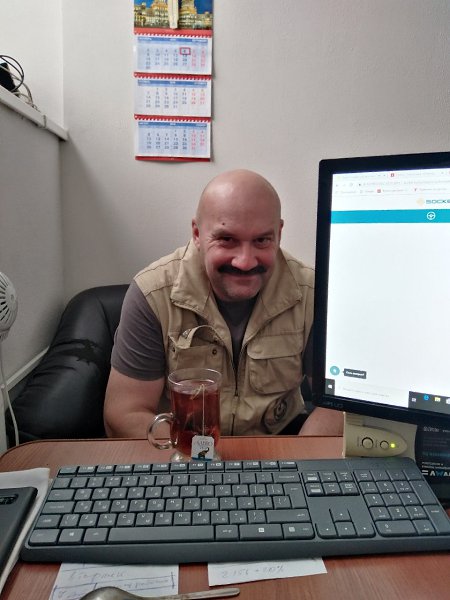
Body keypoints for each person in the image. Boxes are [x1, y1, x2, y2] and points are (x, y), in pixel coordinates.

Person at [104, 169, 343, 438]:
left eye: (262, 240)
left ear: (279, 233)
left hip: (279, 444)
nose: (245, 261)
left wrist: (300, 459)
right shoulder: (152, 294)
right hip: (179, 448)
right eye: (227, 240)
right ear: (197, 234)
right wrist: (199, 455)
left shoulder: (312, 293)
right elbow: (125, 412)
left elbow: (335, 405)